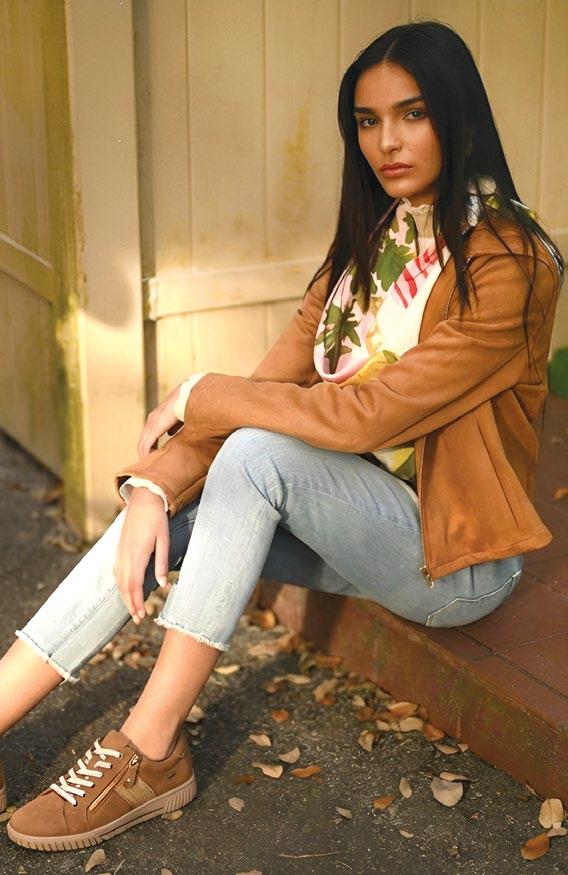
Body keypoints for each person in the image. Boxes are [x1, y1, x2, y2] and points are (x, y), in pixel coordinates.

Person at [1, 20, 563, 852]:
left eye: (412, 114)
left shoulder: (509, 262)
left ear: (460, 116)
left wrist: (196, 392)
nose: (387, 141)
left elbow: (365, 416)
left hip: (454, 561)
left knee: (260, 453)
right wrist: (155, 485)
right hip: (356, 522)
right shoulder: (369, 249)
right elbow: (265, 392)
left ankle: (149, 749)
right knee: (203, 485)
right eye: (368, 121)